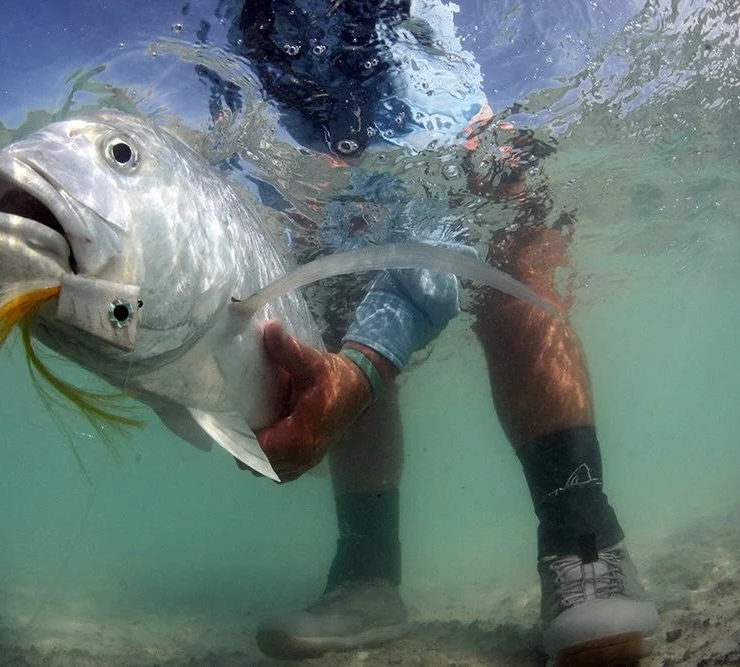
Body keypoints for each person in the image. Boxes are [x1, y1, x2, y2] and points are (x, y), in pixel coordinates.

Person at [217, 1, 661, 664]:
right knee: (332, 320)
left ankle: (585, 542)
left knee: (514, 268)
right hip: (348, 165)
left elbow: (432, 239)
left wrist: (362, 370)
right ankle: (367, 571)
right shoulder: (239, 21)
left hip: (452, 139)